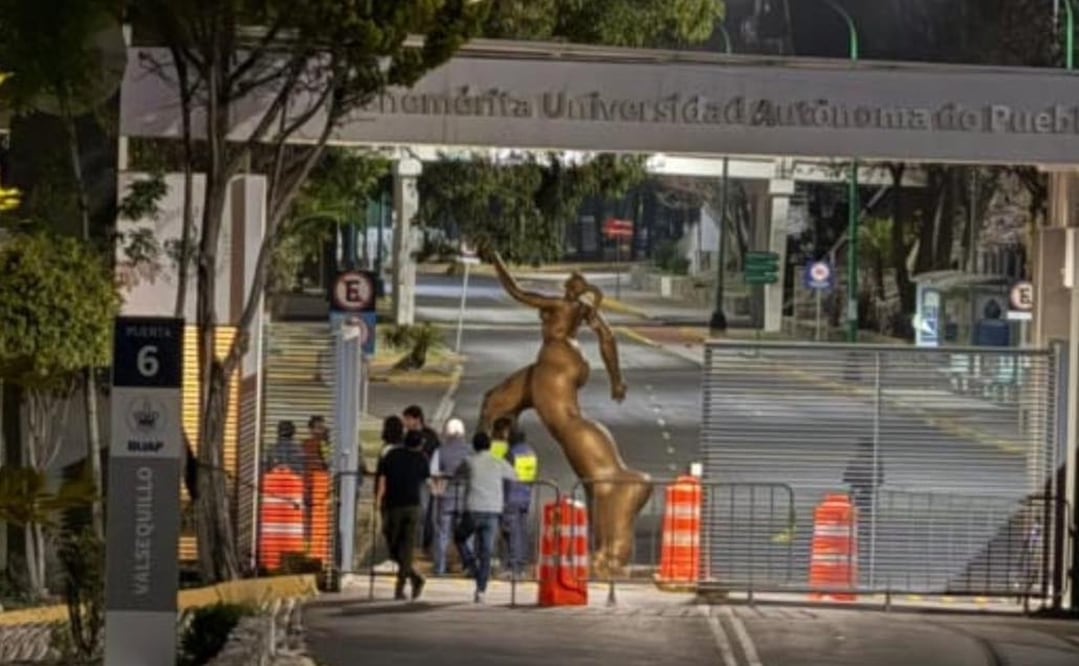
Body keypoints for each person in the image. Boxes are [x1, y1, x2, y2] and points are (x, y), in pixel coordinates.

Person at [478, 248, 651, 576]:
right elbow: (607, 338)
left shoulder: (560, 305)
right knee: (495, 403)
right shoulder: (584, 309)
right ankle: (487, 467)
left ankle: (616, 480)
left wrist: (497, 260)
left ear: (569, 289)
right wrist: (616, 380)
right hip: (554, 363)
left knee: (565, 422)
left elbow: (516, 291)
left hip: (557, 362)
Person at [454, 432, 517, 603]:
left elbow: (456, 475)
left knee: (459, 537)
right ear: (489, 446)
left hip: (473, 509)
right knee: (486, 552)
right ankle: (481, 590)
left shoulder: (469, 461)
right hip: (493, 511)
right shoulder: (498, 461)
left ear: (474, 446)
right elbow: (513, 474)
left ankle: (469, 563)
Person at [375, 429, 430, 601]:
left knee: (396, 546)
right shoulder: (421, 459)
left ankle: (400, 588)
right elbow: (426, 481)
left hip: (393, 505)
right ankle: (415, 577)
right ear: (419, 444)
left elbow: (382, 479)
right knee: (402, 549)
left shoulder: (392, 454)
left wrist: (378, 499)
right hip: (411, 506)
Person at [431, 417, 471, 575]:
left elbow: (433, 472)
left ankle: (440, 567)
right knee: (466, 534)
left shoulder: (440, 450)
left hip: (445, 497)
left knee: (443, 534)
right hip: (465, 498)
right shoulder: (470, 450)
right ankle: (468, 565)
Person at [403, 405, 441, 551]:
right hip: (411, 479)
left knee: (425, 512)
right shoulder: (406, 436)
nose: (405, 422)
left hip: (425, 479)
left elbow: (436, 454)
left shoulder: (430, 436)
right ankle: (415, 543)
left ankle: (425, 543)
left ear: (417, 419)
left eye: (407, 419)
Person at [502, 427, 538, 578]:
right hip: (525, 496)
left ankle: (513, 566)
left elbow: (505, 477)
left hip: (511, 497)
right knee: (521, 532)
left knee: (512, 532)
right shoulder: (531, 453)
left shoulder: (511, 453)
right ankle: (521, 564)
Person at [843, 439, 885, 524]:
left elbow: (847, 477)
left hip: (863, 492)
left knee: (860, 514)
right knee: (861, 515)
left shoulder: (857, 461)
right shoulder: (876, 462)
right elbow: (880, 480)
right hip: (864, 492)